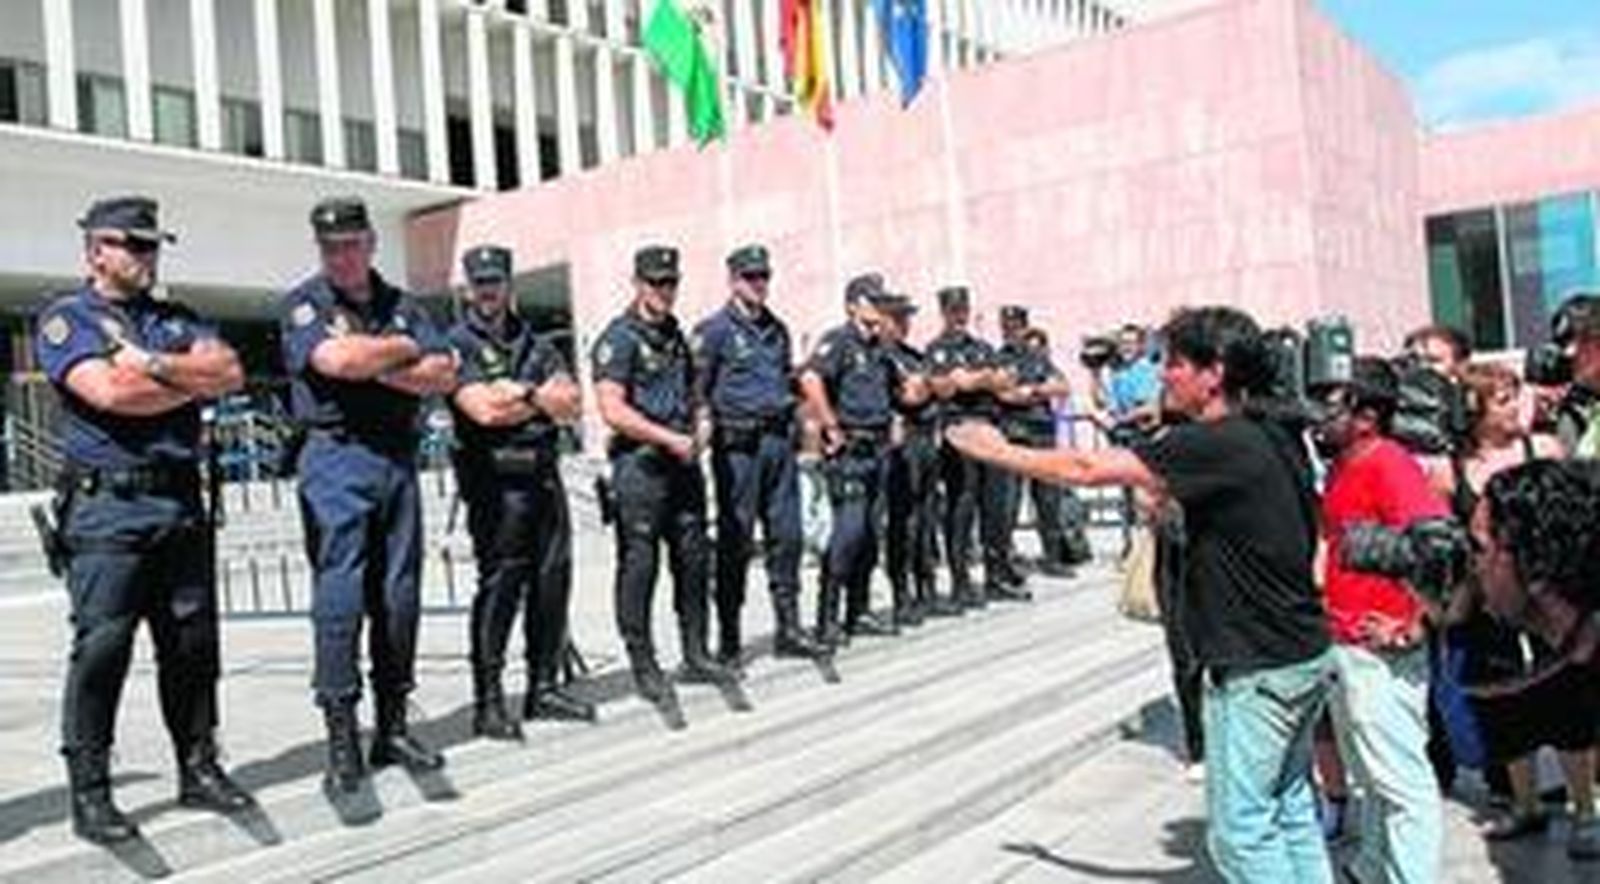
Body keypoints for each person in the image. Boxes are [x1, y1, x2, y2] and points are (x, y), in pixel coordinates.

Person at [949, 305, 1335, 883]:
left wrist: (994, 450)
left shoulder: (1217, 443)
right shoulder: (1273, 433)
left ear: (1215, 373)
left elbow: (1082, 465)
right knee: (1290, 808)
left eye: (1175, 364)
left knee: (1242, 834)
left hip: (1256, 666)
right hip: (1299, 651)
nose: (1163, 376)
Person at [37, 196, 252, 843]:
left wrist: (155, 364)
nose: (145, 255)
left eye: (152, 245)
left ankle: (198, 766)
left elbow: (232, 372)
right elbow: (109, 392)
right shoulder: (66, 318)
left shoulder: (173, 319)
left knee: (190, 645)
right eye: (131, 244)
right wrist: (190, 381)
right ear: (95, 250)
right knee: (103, 648)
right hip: (109, 509)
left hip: (180, 503)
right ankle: (92, 792)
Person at [280, 197, 458, 793]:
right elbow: (335, 358)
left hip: (396, 459)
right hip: (336, 457)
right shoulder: (305, 304)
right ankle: (341, 738)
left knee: (399, 596)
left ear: (371, 244)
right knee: (341, 595)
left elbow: (444, 374)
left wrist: (373, 361)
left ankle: (393, 726)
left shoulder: (403, 304)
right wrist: (403, 351)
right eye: (331, 246)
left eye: (352, 243)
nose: (343, 255)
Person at [1428, 362, 1598, 857]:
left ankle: (1585, 808)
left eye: (1513, 395)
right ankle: (1524, 804)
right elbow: (1452, 544)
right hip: (1490, 606)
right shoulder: (1449, 470)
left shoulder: (1543, 450)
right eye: (1501, 399)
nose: (1513, 406)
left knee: (1570, 708)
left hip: (1551, 602)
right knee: (1505, 711)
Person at [1309, 357, 1448, 884]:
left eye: (1334, 403)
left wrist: (1413, 622)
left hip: (1382, 651)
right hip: (1348, 643)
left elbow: (1438, 547)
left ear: (1367, 416)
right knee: (1371, 776)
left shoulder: (1388, 462)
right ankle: (1371, 870)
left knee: (1401, 782)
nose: (1322, 414)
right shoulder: (1347, 465)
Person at [447, 245, 594, 740]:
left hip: (543, 475)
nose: (489, 291)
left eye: (496, 282)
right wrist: (539, 397)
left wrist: (520, 394)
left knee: (552, 581)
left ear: (510, 285)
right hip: (494, 482)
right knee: (501, 586)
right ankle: (489, 702)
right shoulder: (457, 343)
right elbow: (483, 410)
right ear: (468, 289)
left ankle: (543, 687)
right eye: (480, 283)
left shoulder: (537, 341)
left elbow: (572, 403)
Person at [592, 246, 733, 712]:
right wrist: (666, 438)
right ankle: (644, 665)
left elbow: (696, 395)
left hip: (684, 465)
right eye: (656, 283)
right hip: (641, 467)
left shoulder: (676, 337)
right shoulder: (619, 338)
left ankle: (696, 652)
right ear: (637, 284)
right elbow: (612, 409)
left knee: (693, 562)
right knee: (640, 567)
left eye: (671, 282)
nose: (664, 291)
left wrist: (703, 422)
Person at [693, 245, 824, 671]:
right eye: (750, 277)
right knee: (735, 541)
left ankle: (789, 629)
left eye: (763, 276)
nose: (758, 284)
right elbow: (697, 391)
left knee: (787, 537)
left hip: (778, 446)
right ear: (732, 280)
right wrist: (702, 428)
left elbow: (785, 383)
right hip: (738, 451)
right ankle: (729, 639)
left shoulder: (777, 330)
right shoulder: (713, 331)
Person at [798, 274, 924, 647]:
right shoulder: (839, 342)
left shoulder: (880, 349)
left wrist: (923, 389)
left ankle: (858, 611)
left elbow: (901, 395)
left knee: (869, 535)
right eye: (872, 302)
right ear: (853, 304)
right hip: (850, 451)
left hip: (879, 450)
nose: (878, 310)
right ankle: (827, 618)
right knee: (847, 533)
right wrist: (831, 425)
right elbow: (810, 379)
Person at [926, 286, 1021, 606]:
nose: (959, 315)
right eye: (953, 310)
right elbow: (947, 388)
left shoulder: (983, 347)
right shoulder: (936, 349)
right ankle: (960, 582)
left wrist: (974, 378)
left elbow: (1006, 383)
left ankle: (996, 576)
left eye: (963, 309)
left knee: (995, 507)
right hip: (960, 432)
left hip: (990, 430)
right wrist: (983, 379)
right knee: (961, 509)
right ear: (944, 312)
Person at [880, 293, 951, 624]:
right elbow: (910, 395)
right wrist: (927, 387)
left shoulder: (913, 356)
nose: (904, 324)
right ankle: (901, 593)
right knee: (903, 521)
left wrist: (929, 385)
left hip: (925, 440)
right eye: (898, 318)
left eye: (906, 318)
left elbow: (940, 387)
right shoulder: (882, 358)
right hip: (903, 443)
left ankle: (927, 587)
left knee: (926, 517)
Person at [994, 307, 1078, 579]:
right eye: (1007, 326)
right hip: (1015, 434)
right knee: (1009, 501)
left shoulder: (1037, 358)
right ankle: (1005, 559)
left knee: (1047, 498)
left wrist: (1033, 390)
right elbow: (1004, 395)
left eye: (1016, 326)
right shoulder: (997, 359)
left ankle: (1052, 557)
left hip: (1042, 432)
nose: (1011, 331)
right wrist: (1032, 392)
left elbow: (1062, 387)